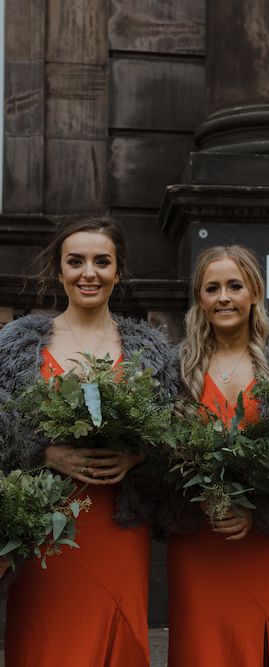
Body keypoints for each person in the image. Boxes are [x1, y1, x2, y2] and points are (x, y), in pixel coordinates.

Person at [0, 217, 177, 666]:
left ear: (118, 272)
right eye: (75, 261)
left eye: (102, 261)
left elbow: (172, 432)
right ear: (59, 272)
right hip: (45, 530)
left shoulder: (148, 349)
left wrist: (138, 453)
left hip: (117, 525)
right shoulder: (17, 345)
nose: (89, 273)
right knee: (49, 641)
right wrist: (44, 451)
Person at [164, 245, 269, 667]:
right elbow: (157, 455)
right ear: (200, 298)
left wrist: (259, 512)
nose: (224, 297)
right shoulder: (176, 368)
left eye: (235, 286)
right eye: (212, 288)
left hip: (263, 543)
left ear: (255, 292)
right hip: (199, 541)